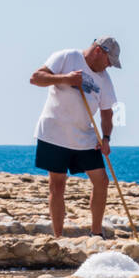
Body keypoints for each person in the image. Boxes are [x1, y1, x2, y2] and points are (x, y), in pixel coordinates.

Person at [30, 37, 121, 237]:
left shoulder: (104, 78)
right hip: (54, 133)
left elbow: (107, 113)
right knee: (57, 184)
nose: (109, 66)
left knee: (102, 181)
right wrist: (66, 79)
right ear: (99, 51)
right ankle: (58, 237)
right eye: (109, 61)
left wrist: (106, 138)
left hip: (84, 137)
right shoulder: (67, 56)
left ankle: (96, 233)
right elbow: (35, 78)